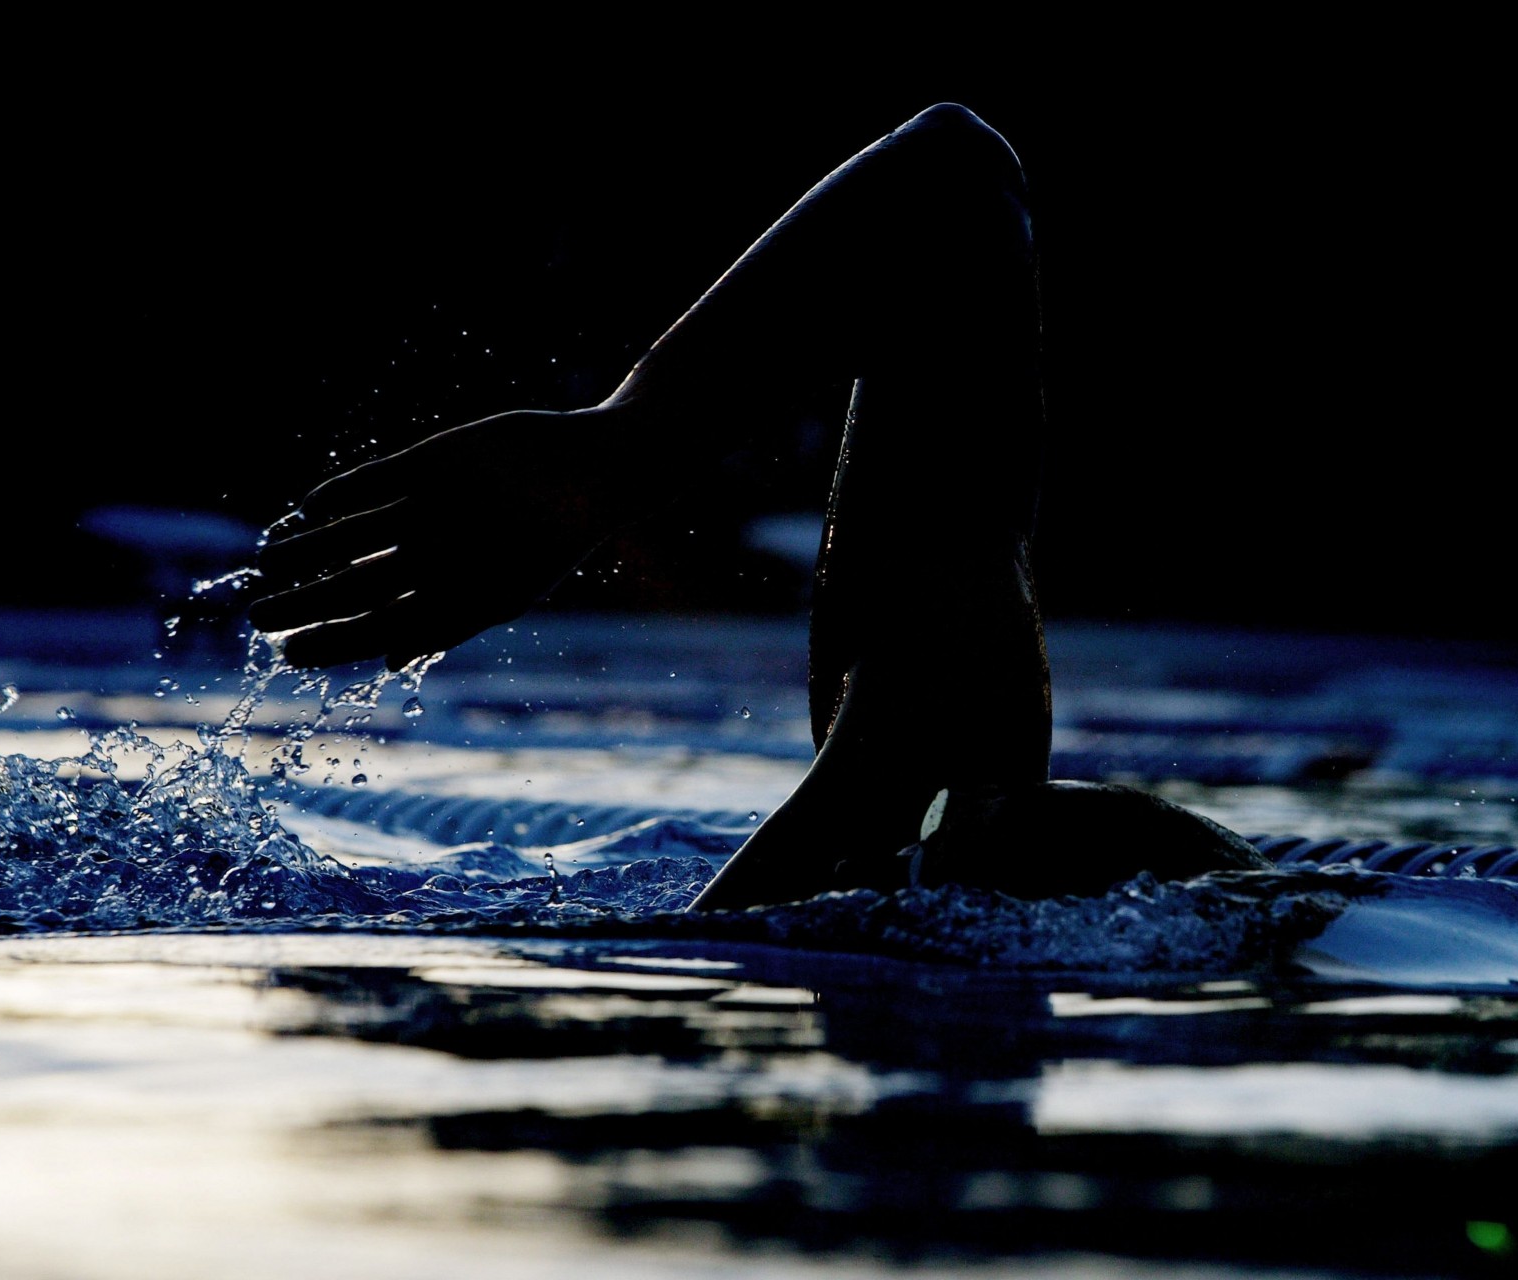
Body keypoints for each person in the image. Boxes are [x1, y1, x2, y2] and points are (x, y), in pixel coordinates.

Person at [249, 104, 1266, 911]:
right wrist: (618, 449)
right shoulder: (900, 802)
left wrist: (621, 447)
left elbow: (950, 175)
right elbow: (950, 179)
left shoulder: (884, 795)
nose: (1028, 796)